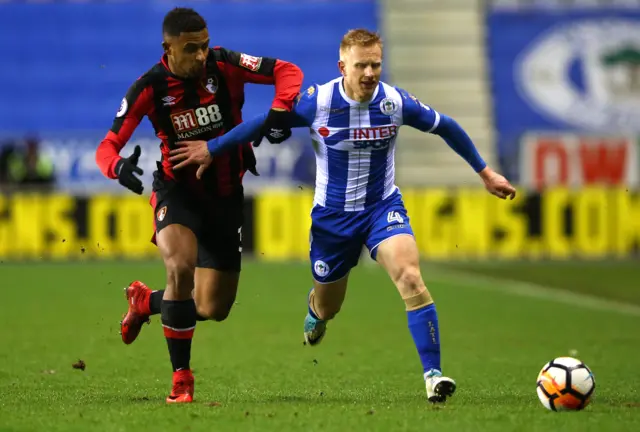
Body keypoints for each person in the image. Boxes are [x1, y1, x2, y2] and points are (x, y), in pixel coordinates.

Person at [169, 28, 516, 404]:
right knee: (329, 305)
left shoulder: (395, 103)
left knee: (411, 278)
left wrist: (485, 172)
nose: (370, 73)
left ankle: (433, 376)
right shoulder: (317, 102)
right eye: (362, 65)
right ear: (342, 66)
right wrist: (213, 148)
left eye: (376, 64)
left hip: (383, 208)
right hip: (333, 222)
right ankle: (316, 310)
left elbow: (445, 125)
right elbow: (262, 122)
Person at [95, 7, 303, 403]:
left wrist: (280, 109)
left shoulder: (225, 63)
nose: (201, 55)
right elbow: (107, 146)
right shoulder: (149, 87)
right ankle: (182, 380)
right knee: (180, 268)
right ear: (168, 49)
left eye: (204, 46)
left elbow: (288, 71)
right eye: (191, 48)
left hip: (225, 198)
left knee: (212, 307)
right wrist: (116, 166)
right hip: (178, 193)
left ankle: (145, 301)